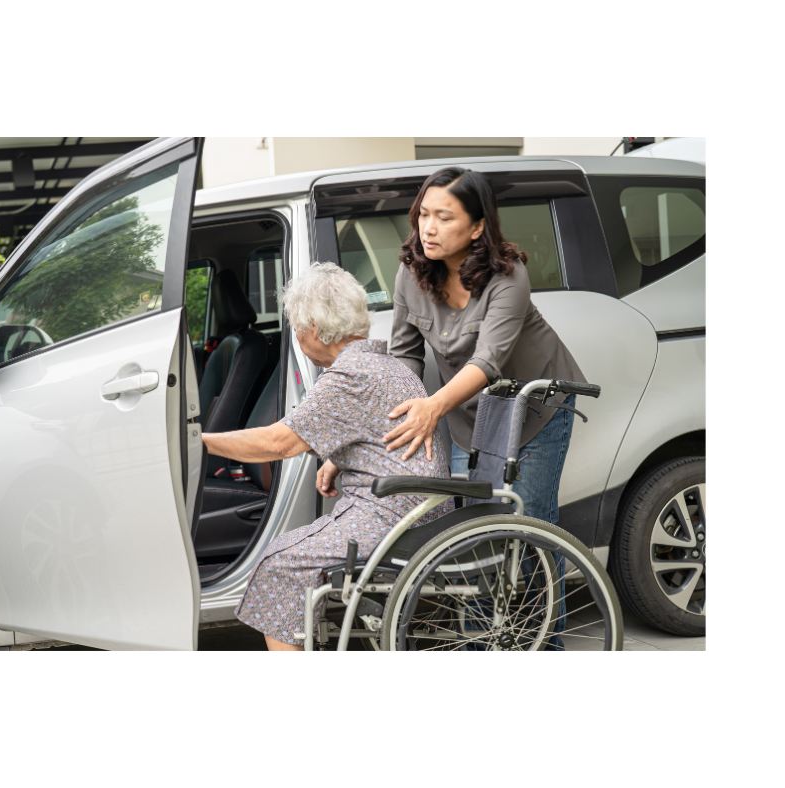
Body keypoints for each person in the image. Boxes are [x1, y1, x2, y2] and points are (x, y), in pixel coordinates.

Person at [384, 167, 588, 649]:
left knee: (530, 524)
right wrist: (382, 424)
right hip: (468, 419)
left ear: (476, 227)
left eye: (444, 217)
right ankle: (483, 646)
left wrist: (431, 407)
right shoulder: (411, 274)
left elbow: (488, 361)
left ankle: (544, 643)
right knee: (474, 529)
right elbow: (403, 358)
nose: (428, 228)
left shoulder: (507, 275)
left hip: (534, 405)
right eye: (423, 216)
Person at [202, 263, 452, 651]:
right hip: (410, 506)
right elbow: (372, 431)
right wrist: (340, 454)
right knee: (286, 552)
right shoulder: (383, 366)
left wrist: (200, 441)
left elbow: (278, 444)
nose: (299, 340)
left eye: (298, 330)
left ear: (313, 330)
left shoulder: (349, 376)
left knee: (280, 565)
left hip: (391, 513)